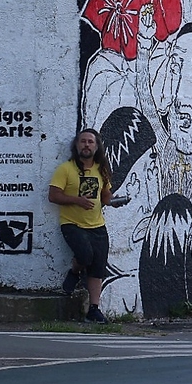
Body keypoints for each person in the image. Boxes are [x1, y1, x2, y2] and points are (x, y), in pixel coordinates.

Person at [49, 128, 113, 324]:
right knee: (85, 255)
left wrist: (115, 201)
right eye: (83, 141)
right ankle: (74, 272)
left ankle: (94, 309)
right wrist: (77, 200)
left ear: (97, 146)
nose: (86, 145)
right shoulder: (65, 169)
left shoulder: (101, 169)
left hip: (97, 225)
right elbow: (53, 196)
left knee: (98, 267)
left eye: (90, 142)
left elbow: (105, 196)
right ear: (76, 146)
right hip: (72, 224)